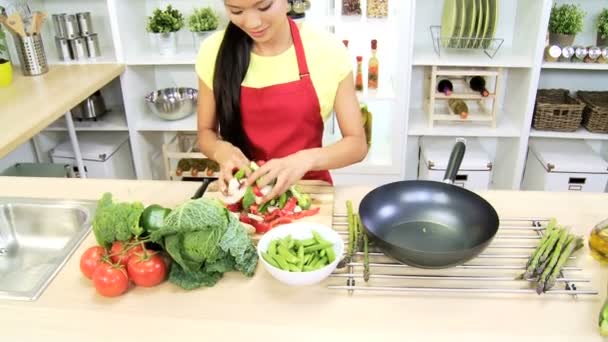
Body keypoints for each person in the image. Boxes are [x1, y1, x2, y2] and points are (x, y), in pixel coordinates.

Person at [195, 0, 368, 203]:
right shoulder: (213, 51)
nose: (252, 23)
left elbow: (357, 144)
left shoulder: (327, 50)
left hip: (308, 193)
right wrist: (220, 150)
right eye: (236, 11)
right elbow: (206, 133)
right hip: (244, 193)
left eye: (264, 7)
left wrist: (303, 160)